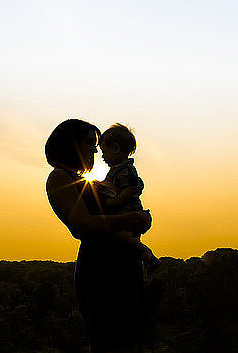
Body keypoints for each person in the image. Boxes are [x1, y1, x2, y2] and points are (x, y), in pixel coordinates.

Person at [45, 119, 151, 353]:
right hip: (101, 270)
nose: (95, 150)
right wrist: (133, 217)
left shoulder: (88, 182)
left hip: (123, 264)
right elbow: (85, 224)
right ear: (72, 145)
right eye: (90, 143)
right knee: (110, 340)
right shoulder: (60, 178)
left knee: (131, 340)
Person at [97, 123, 161, 275]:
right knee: (122, 240)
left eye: (104, 151)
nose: (102, 156)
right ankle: (144, 261)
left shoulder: (126, 169)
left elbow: (131, 189)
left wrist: (114, 201)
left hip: (128, 211)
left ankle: (147, 255)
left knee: (121, 237)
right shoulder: (116, 170)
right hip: (125, 212)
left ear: (116, 149)